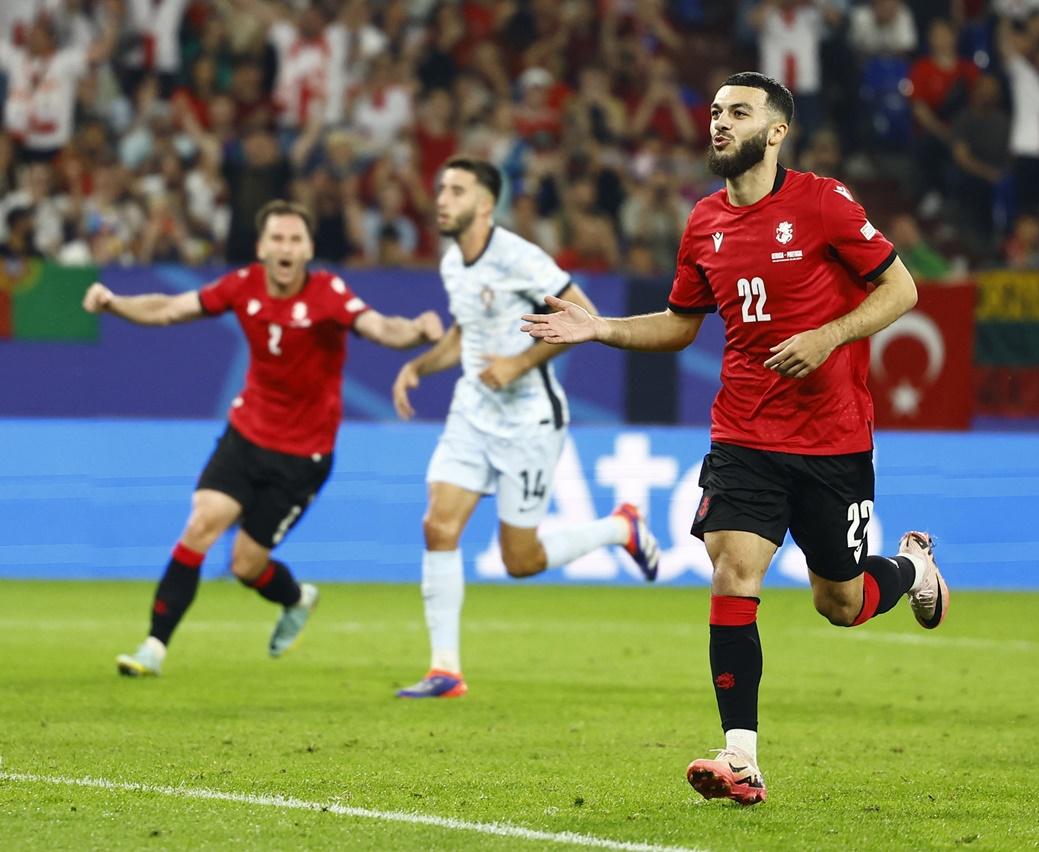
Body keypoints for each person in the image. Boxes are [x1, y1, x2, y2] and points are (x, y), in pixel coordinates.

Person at [522, 72, 949, 806]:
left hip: (833, 436)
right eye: (716, 111)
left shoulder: (822, 202)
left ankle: (911, 568)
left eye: (739, 112)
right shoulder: (703, 223)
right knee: (733, 568)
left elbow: (902, 290)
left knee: (839, 604)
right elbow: (681, 324)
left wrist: (829, 336)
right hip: (746, 431)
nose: (720, 123)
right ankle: (742, 759)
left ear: (776, 131)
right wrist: (597, 329)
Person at [82, 200, 444, 677]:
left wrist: (416, 331)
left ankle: (296, 599)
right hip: (247, 433)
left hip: (302, 454)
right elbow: (171, 308)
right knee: (201, 524)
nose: (286, 248)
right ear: (261, 247)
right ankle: (154, 645)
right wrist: (114, 303)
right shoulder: (242, 285)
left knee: (246, 565)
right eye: (277, 239)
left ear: (309, 248)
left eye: (295, 240)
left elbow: (380, 328)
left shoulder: (328, 293)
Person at [390, 157, 660, 700]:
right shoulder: (452, 263)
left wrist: (517, 363)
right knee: (438, 528)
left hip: (529, 420)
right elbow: (467, 332)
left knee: (521, 561)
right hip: (472, 412)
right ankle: (445, 669)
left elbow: (583, 315)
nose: (442, 198)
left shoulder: (519, 257)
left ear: (484, 205)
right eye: (441, 187)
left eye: (456, 190)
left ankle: (620, 528)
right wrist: (419, 365)